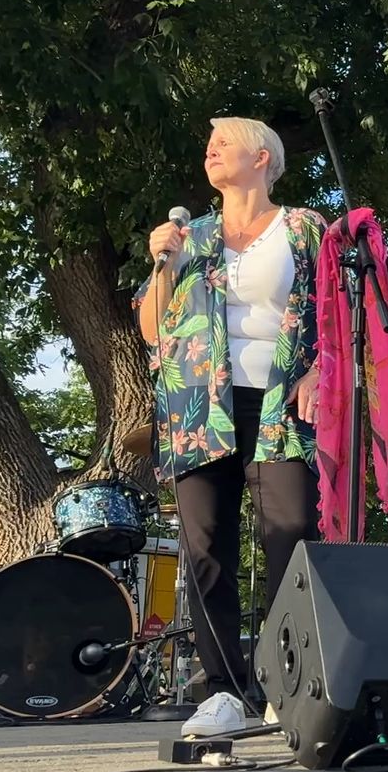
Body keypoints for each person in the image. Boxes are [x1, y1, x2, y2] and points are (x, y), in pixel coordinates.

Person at [134, 117, 328, 737]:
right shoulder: (188, 237)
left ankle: (286, 678)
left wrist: (320, 369)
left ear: (263, 156)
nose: (211, 150)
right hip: (199, 407)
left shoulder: (303, 227)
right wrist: (162, 264)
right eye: (208, 145)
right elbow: (151, 329)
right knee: (203, 546)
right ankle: (223, 690)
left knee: (292, 534)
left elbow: (340, 309)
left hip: (280, 404)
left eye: (225, 142)